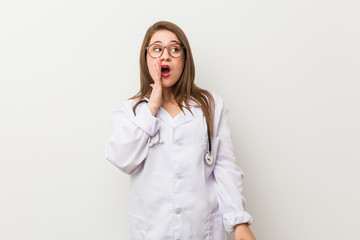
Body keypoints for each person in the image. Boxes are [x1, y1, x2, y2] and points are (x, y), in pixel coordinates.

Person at [105, 21, 256, 240]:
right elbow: (122, 159)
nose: (165, 56)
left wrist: (239, 221)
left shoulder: (212, 106)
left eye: (174, 49)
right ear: (145, 58)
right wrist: (152, 107)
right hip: (152, 232)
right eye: (157, 49)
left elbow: (224, 168)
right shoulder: (129, 112)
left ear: (185, 59)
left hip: (202, 231)